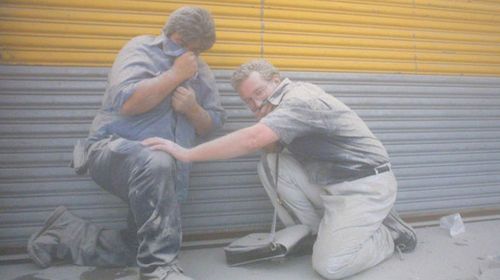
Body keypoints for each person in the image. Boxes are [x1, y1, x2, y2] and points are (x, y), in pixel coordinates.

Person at [142, 59, 417, 279]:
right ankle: (317, 233)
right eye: (248, 100)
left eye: (259, 93)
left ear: (277, 81)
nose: (256, 103)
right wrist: (267, 118)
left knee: (330, 267)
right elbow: (270, 149)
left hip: (364, 185)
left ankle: (388, 234)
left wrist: (186, 153)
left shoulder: (300, 100)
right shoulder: (279, 106)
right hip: (332, 182)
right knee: (272, 163)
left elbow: (251, 139)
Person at [27, 6, 225, 280]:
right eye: (185, 46)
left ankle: (63, 232)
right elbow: (128, 103)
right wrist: (175, 75)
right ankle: (159, 269)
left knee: (135, 246)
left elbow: (212, 124)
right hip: (111, 151)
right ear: (174, 36)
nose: (191, 55)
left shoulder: (200, 71)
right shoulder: (140, 49)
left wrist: (194, 109)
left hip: (164, 175)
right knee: (157, 158)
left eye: (198, 51)